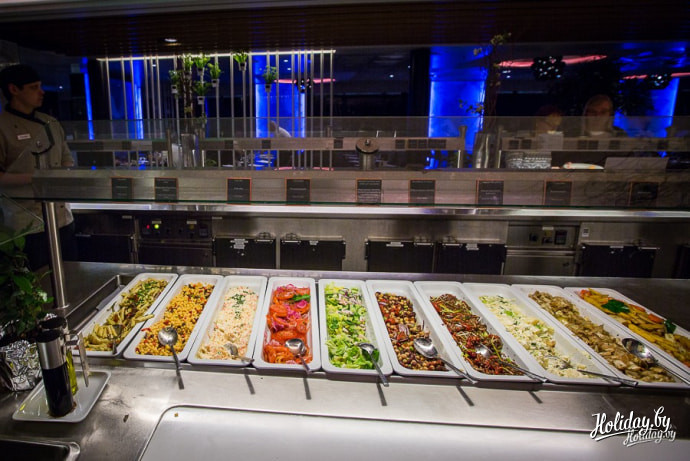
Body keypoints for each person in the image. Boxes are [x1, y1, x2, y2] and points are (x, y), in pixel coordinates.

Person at [0, 64, 76, 270]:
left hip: (62, 220)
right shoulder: (3, 127)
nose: (41, 92)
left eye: (40, 86)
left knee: (70, 273)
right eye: (33, 87)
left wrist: (63, 176)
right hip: (26, 226)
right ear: (14, 89)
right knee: (36, 281)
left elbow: (67, 160)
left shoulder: (50, 123)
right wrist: (38, 179)